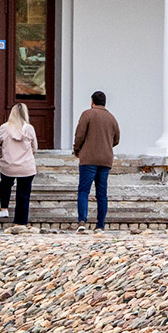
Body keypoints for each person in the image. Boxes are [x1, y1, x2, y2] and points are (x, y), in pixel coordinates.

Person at [72, 90, 120, 232]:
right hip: (105, 159)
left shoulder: (87, 114)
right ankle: (100, 224)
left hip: (88, 158)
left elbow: (79, 135)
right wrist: (106, 146)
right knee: (102, 193)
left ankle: (82, 221)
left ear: (92, 101)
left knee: (83, 190)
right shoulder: (111, 118)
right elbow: (117, 139)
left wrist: (77, 149)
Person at [0, 103, 39, 231]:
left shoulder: (4, 128)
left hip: (8, 165)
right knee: (23, 194)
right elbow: (35, 148)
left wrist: (2, 154)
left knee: (5, 184)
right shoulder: (29, 129)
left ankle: (4, 208)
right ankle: (20, 222)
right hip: (26, 166)